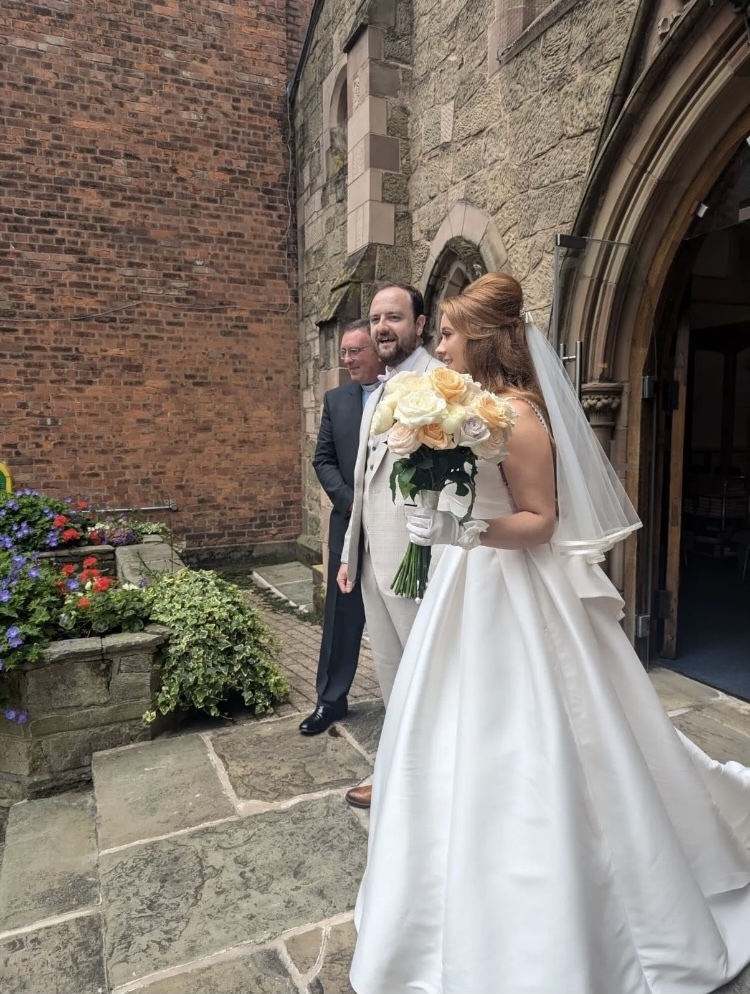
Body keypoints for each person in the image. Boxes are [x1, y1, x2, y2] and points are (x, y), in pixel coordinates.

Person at [350, 272, 750, 994]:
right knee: (441, 727)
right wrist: (439, 504)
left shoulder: (518, 416)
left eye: (447, 333)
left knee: (536, 739)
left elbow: (541, 521)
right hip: (466, 587)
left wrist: (461, 528)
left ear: (484, 338)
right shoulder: (471, 407)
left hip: (513, 591)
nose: (438, 346)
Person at [338, 281, 443, 809]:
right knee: (389, 671)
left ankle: (422, 776)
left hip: (418, 560)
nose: (382, 328)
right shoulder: (377, 389)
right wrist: (347, 552)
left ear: (420, 324)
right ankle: (398, 769)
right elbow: (362, 479)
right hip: (374, 556)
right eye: (377, 318)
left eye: (394, 318)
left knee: (427, 673)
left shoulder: (443, 383)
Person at [299, 320, 385, 735]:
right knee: (340, 621)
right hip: (348, 527)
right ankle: (330, 701)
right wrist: (351, 502)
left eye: (355, 351)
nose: (347, 359)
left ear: (377, 351)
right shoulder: (337, 400)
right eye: (344, 353)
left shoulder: (402, 394)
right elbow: (323, 460)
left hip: (395, 535)